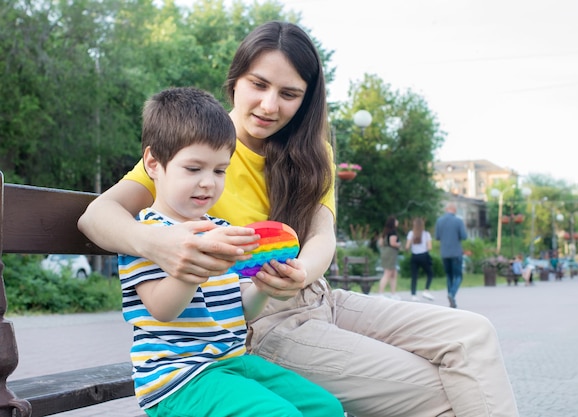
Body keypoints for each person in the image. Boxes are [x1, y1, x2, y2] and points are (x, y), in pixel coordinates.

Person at [78, 21, 519, 417]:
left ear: (307, 100)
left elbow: (322, 234)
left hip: (316, 295)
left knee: (472, 336)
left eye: (289, 94)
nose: (270, 105)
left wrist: (300, 273)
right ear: (235, 81)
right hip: (262, 328)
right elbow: (97, 216)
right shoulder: (197, 146)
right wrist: (163, 247)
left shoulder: (313, 154)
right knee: (441, 391)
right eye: (259, 84)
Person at [118, 86, 343, 416]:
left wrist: (263, 288)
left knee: (325, 408)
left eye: (219, 170)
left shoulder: (221, 229)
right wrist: (196, 263)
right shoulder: (147, 233)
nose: (208, 182)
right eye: (194, 169)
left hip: (231, 363)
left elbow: (242, 310)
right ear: (153, 163)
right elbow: (162, 309)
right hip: (179, 380)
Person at [435, 203, 468, 308]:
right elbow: (464, 236)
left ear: (446, 209)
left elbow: (437, 237)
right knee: (458, 276)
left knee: (449, 276)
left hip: (444, 253)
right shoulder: (458, 221)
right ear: (454, 210)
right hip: (456, 252)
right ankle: (452, 294)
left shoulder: (439, 221)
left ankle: (451, 299)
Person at [405, 217, 435, 301]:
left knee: (414, 276)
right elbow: (429, 247)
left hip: (414, 256)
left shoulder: (411, 233)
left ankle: (413, 295)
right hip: (424, 256)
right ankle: (426, 290)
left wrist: (409, 250)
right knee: (430, 273)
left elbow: (407, 246)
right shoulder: (426, 234)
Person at [377, 216, 401, 299]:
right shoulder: (393, 232)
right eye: (396, 220)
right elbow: (393, 243)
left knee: (394, 274)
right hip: (391, 254)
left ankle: (393, 293)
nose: (397, 222)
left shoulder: (385, 232)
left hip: (386, 253)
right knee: (387, 274)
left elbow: (380, 243)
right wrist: (399, 245)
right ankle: (380, 293)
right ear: (393, 223)